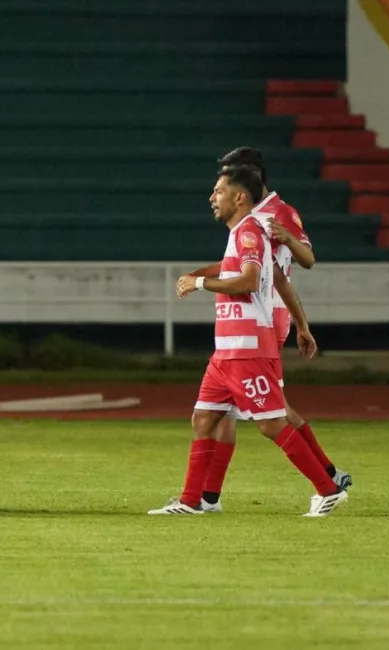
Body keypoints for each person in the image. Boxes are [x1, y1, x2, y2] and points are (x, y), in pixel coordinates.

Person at [148, 166, 348, 517]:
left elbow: (251, 281)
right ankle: (192, 501)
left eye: (219, 191)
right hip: (226, 351)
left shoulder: (249, 233)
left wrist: (199, 284)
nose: (212, 198)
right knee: (203, 418)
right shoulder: (240, 233)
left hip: (248, 350)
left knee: (272, 423)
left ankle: (327, 489)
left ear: (239, 196)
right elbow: (279, 281)